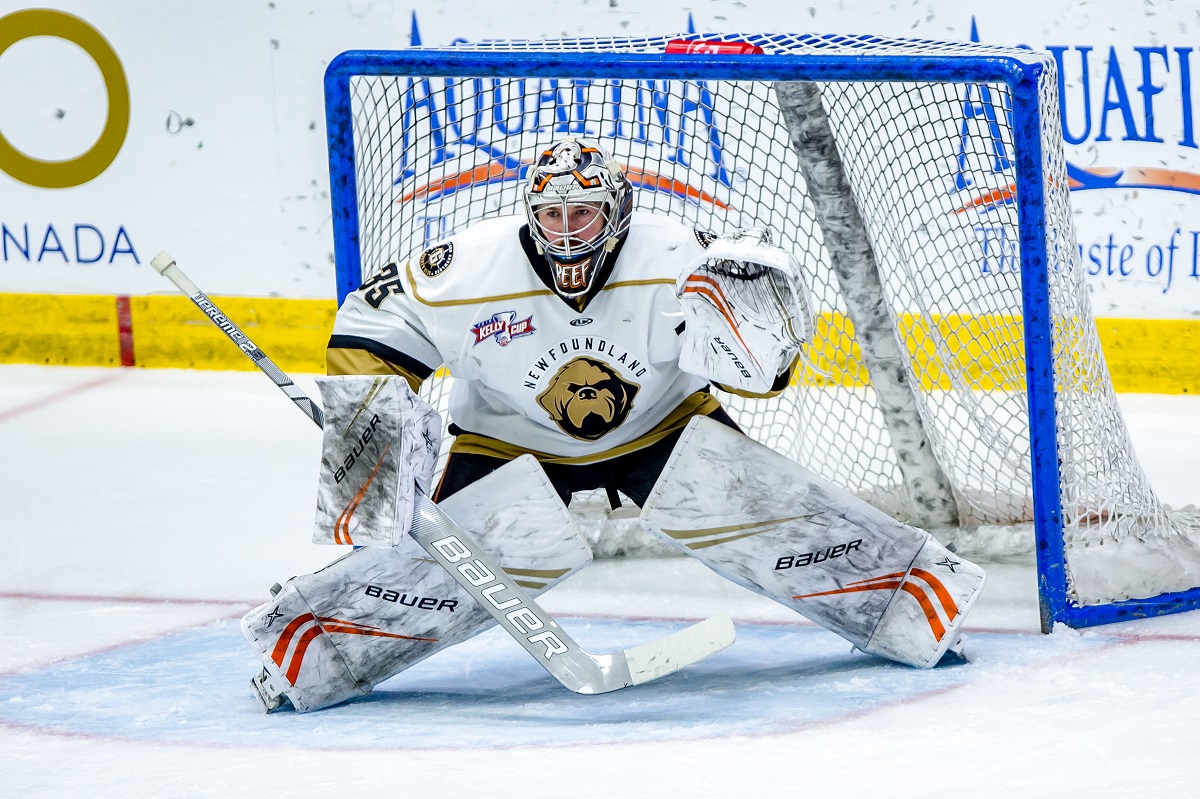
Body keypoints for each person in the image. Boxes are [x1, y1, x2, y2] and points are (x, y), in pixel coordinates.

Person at [240, 138, 984, 713]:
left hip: (663, 424)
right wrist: (376, 439)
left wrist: (759, 346)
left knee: (761, 510)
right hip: (508, 434)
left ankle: (910, 601)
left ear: (617, 212)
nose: (566, 233)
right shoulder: (471, 266)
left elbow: (766, 355)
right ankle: (311, 648)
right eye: (552, 216)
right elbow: (373, 319)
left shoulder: (675, 253)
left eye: (583, 215)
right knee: (444, 566)